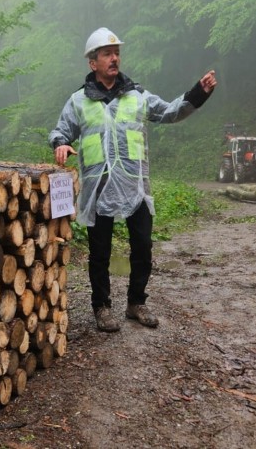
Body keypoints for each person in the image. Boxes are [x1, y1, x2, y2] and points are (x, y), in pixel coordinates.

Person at [48, 27, 217, 332]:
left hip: (135, 187)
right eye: (106, 54)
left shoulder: (138, 96)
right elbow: (60, 130)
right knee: (100, 253)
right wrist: (60, 143)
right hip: (98, 189)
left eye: (116, 53)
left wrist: (198, 93)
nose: (114, 58)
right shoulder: (78, 102)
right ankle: (101, 307)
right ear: (93, 63)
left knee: (142, 247)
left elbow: (170, 112)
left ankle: (135, 302)